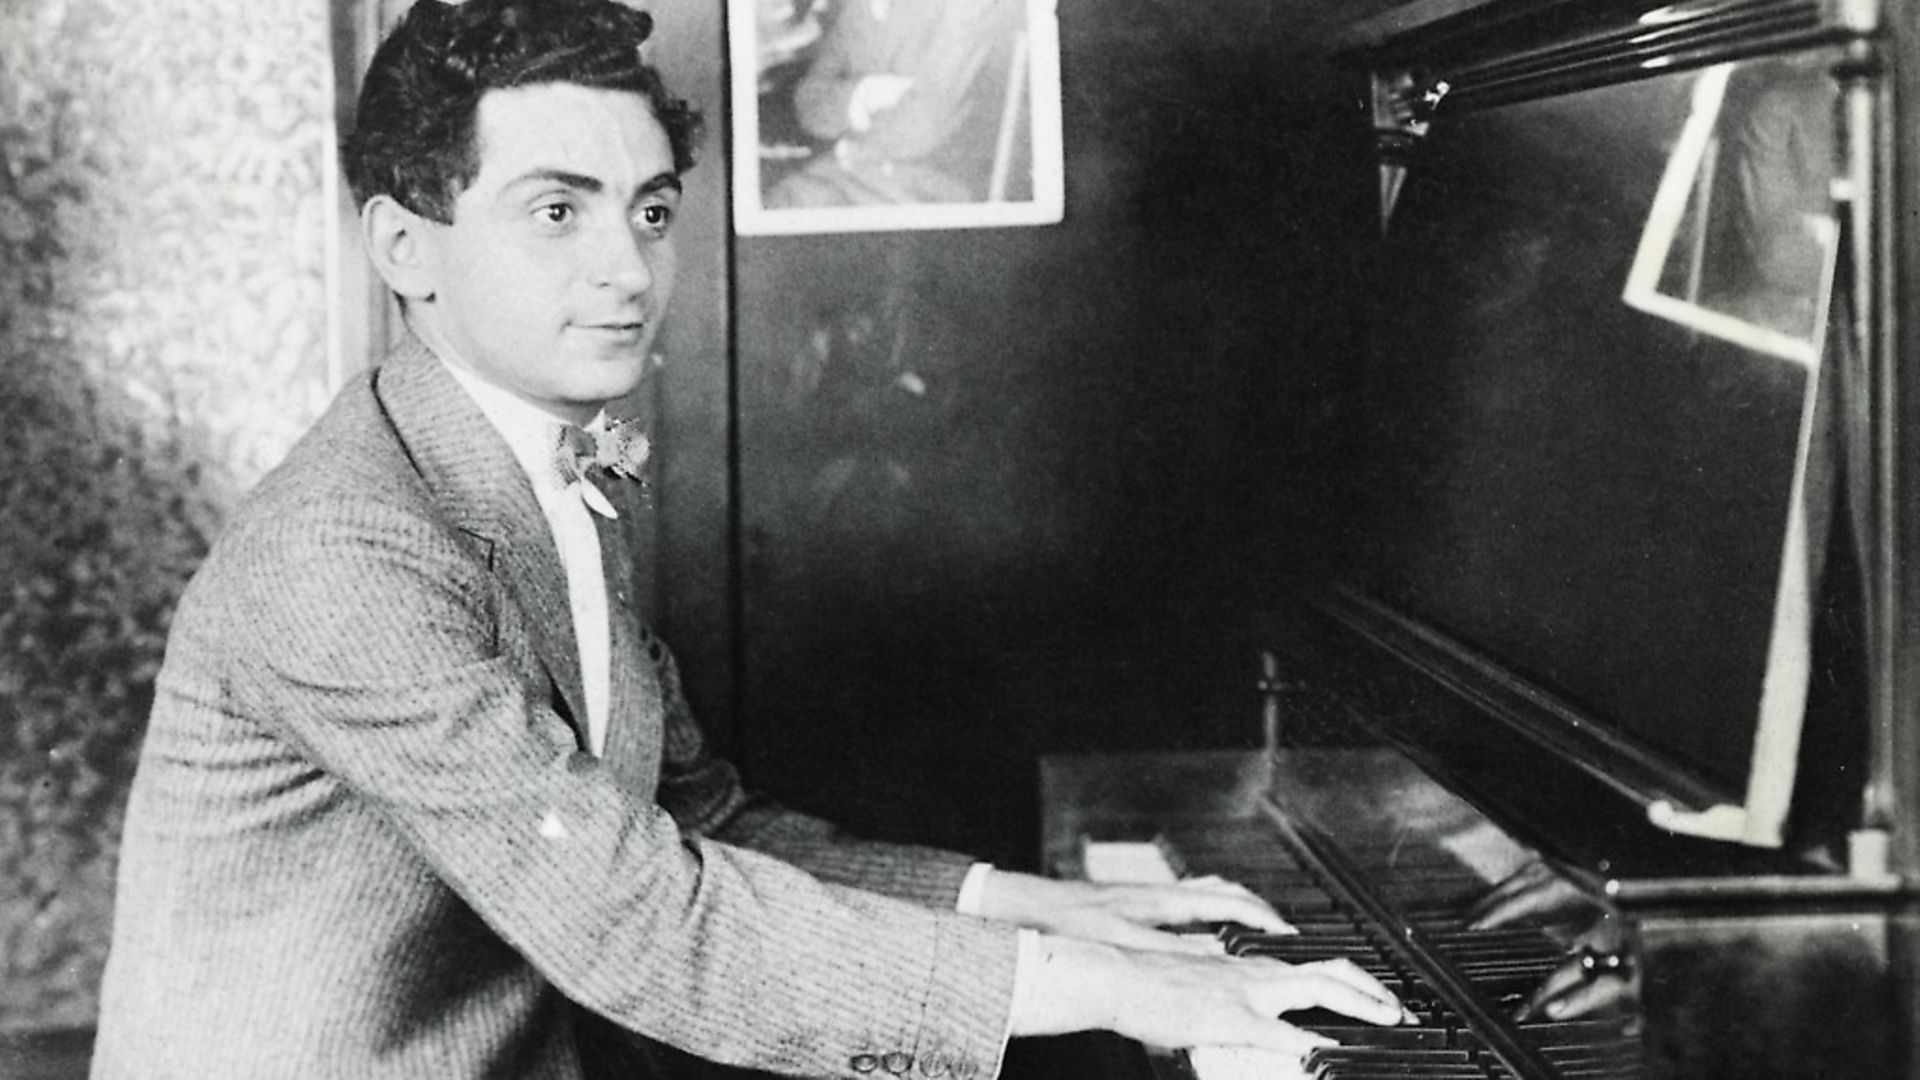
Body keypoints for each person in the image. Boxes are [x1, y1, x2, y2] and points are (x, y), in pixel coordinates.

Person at [88, 2, 1404, 1077]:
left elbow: (696, 822)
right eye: (558, 211)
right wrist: (1118, 990)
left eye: (649, 210)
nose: (627, 271)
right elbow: (642, 919)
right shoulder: (348, 554)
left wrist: (1056, 908)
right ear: (405, 246)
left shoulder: (542, 461)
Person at [769, 0, 1021, 207]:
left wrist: (852, 137)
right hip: (853, 174)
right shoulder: (861, 7)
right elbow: (808, 103)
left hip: (924, 189)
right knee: (780, 203)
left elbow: (925, 124)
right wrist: (865, 93)